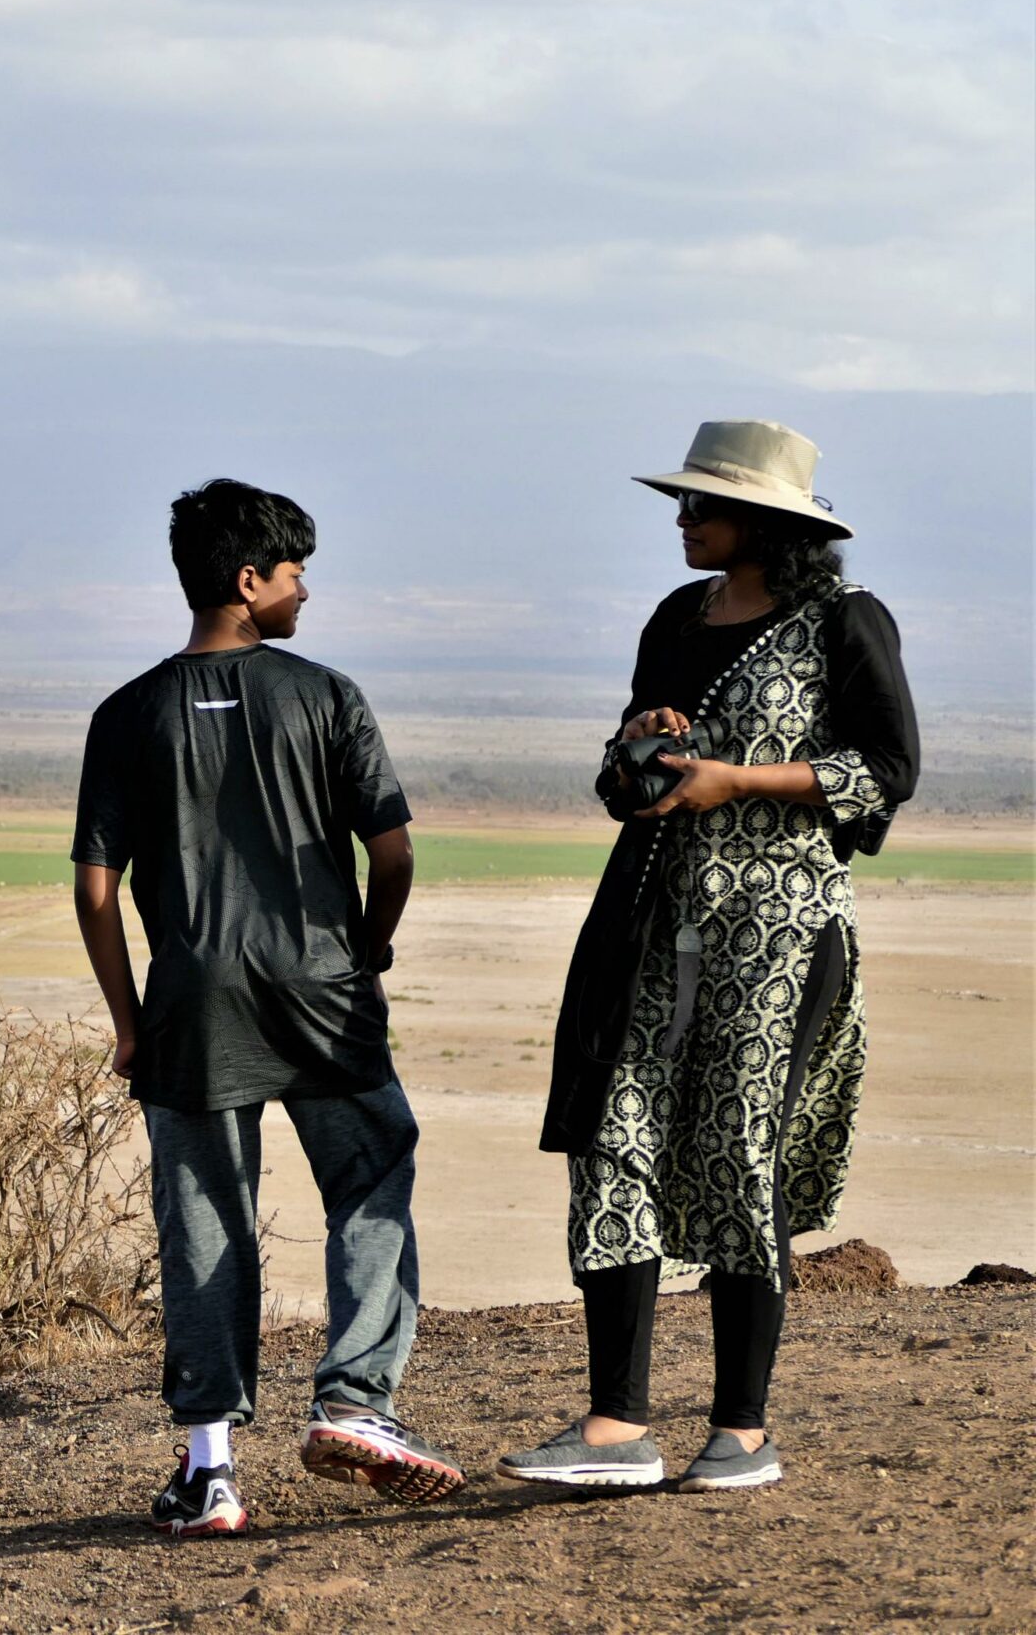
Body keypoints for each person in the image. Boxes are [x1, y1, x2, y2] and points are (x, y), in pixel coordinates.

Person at [507, 420, 918, 1493]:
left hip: (780, 928)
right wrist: (638, 750)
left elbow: (886, 769)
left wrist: (742, 780)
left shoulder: (843, 620)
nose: (681, 519)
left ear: (767, 522)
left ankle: (740, 1430)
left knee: (740, 1146)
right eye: (681, 502)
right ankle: (613, 1427)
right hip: (649, 919)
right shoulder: (672, 618)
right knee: (613, 1136)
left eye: (700, 504)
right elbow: (622, 784)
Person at [72, 478, 465, 1539]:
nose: (305, 592)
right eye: (295, 574)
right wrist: (367, 944)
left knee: (205, 1219)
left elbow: (96, 885)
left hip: (192, 1002)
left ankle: (210, 1472)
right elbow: (393, 849)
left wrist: (124, 1017)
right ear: (248, 583)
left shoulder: (128, 712)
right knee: (371, 1175)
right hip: (323, 990)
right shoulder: (327, 696)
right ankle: (355, 1404)